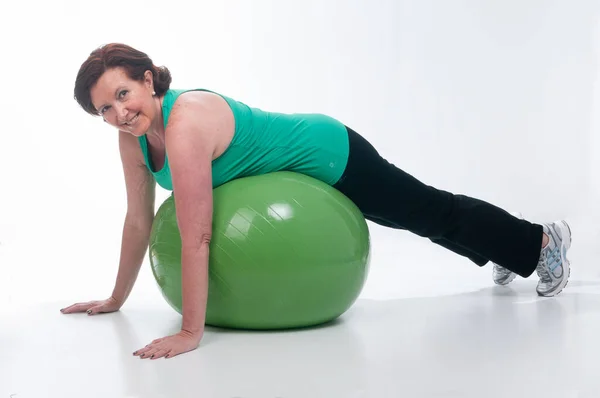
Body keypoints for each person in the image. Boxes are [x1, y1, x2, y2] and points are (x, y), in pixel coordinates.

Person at [60, 43, 572, 360]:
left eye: (123, 95)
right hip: (295, 171)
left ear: (148, 80)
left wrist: (191, 332)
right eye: (104, 109)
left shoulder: (185, 123)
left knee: (425, 213)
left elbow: (196, 234)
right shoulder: (132, 139)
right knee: (425, 216)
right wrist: (115, 299)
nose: (119, 114)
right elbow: (137, 223)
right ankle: (507, 249)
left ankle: (541, 243)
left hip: (326, 153)